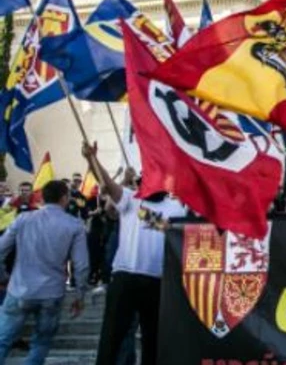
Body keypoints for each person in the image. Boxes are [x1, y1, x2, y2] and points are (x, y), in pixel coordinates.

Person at [82, 142, 187, 365]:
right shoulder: (131, 198)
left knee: (154, 341)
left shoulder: (178, 208)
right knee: (112, 336)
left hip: (158, 281)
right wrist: (92, 159)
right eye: (149, 175)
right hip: (125, 278)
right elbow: (108, 185)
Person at [0, 180, 88, 364]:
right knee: (41, 342)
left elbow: (1, 249)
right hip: (51, 292)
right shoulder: (74, 225)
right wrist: (80, 294)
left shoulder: (23, 219)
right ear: (65, 198)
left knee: (3, 340)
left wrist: (3, 276)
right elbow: (81, 265)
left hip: (19, 288)